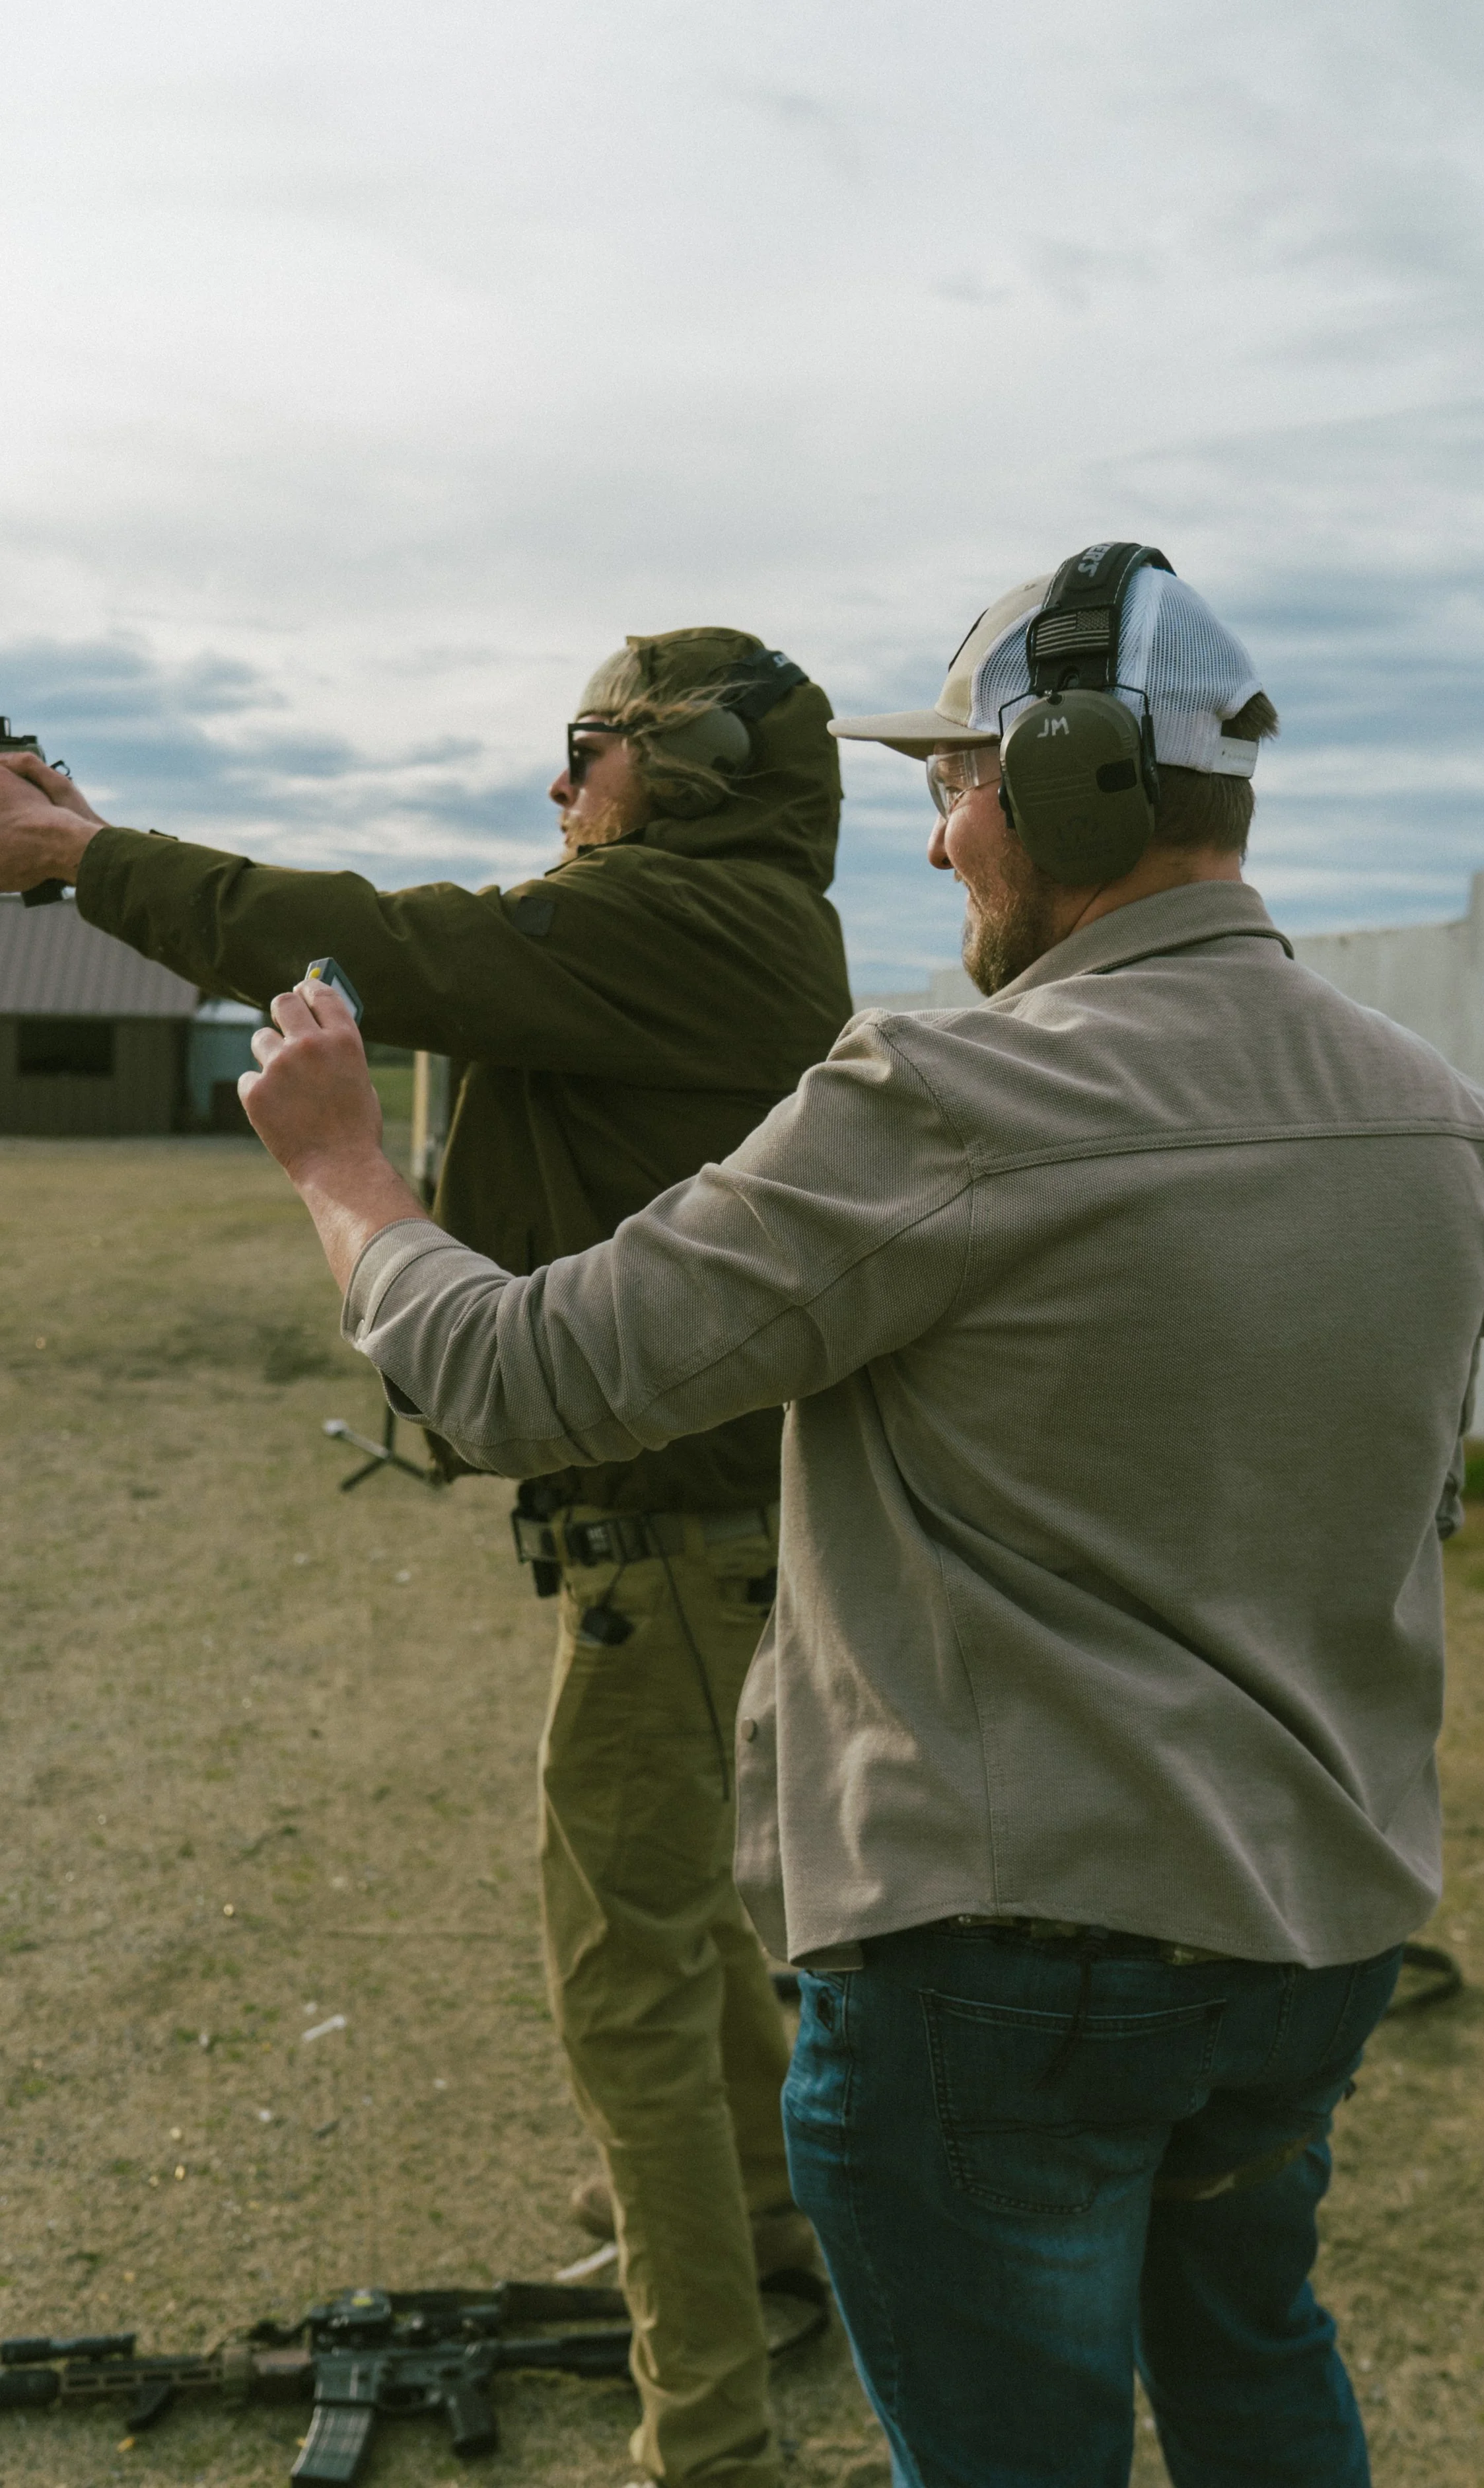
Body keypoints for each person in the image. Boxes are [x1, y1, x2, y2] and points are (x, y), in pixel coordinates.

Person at [193, 543, 1484, 2488]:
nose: (932, 848)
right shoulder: (1446, 1124)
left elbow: (522, 1378)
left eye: (953, 786)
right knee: (1252, 2366)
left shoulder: (946, 1094)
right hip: (1306, 1944)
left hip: (999, 1977)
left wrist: (347, 1181)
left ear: (1066, 781)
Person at [0, 628, 852, 2488]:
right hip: (693, 1524)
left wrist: (75, 859)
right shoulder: (709, 922)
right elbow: (409, 950)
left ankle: (706, 2433)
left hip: (676, 1534)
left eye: (587, 751)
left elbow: (373, 945)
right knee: (684, 1915)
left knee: (621, 1973)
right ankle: (771, 2230)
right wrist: (89, 838)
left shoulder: (685, 921)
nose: (559, 789)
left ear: (686, 764)